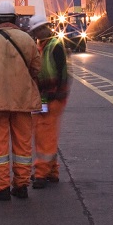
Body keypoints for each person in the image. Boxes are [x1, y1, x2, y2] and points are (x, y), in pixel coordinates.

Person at [0, 1, 41, 201]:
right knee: (23, 145)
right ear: (15, 19)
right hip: (23, 100)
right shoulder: (27, 40)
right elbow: (37, 68)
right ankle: (21, 186)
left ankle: (0, 187)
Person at [27, 14, 69, 188]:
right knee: (43, 133)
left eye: (39, 29)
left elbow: (63, 73)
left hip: (52, 97)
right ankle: (52, 171)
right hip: (43, 96)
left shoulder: (54, 46)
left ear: (46, 27)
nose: (38, 33)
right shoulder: (42, 46)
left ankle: (41, 173)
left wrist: (59, 92)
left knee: (45, 134)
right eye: (36, 31)